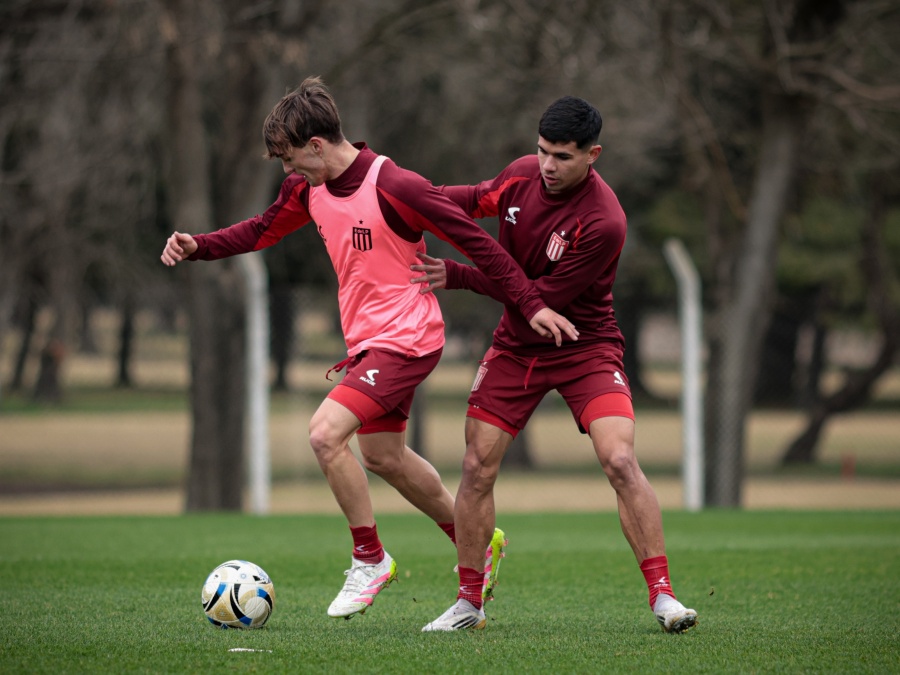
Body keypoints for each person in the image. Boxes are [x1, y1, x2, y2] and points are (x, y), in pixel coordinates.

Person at [160, 77, 578, 621]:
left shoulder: (396, 185)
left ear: (316, 145)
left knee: (324, 434)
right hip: (368, 342)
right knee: (384, 457)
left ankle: (370, 559)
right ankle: (474, 538)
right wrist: (201, 247)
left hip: (408, 338)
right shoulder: (305, 190)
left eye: (290, 160)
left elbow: (481, 246)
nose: (287, 173)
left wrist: (531, 304)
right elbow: (263, 231)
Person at [412, 95, 698, 633]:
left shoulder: (605, 221)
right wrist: (406, 198)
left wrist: (460, 275)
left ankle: (664, 597)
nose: (547, 166)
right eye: (542, 151)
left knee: (619, 460)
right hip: (517, 347)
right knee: (476, 467)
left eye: (562, 157)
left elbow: (538, 294)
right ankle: (468, 604)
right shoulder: (521, 177)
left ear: (593, 155)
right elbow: (469, 199)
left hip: (584, 346)